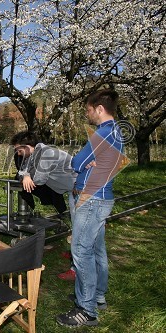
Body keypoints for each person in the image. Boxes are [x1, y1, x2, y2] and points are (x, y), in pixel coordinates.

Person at [56, 89, 127, 327]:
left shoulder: (105, 133)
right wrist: (90, 163)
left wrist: (85, 164)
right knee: (96, 250)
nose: (87, 114)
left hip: (92, 199)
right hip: (100, 197)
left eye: (88, 110)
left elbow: (77, 162)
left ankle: (86, 311)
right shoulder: (115, 132)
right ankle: (95, 297)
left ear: (99, 109)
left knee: (81, 251)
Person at [10, 131, 76, 216]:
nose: (18, 154)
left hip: (84, 189)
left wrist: (26, 175)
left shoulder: (47, 154)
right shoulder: (32, 156)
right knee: (78, 224)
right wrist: (26, 176)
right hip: (73, 190)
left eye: (19, 150)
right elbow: (21, 171)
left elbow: (39, 179)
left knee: (84, 225)